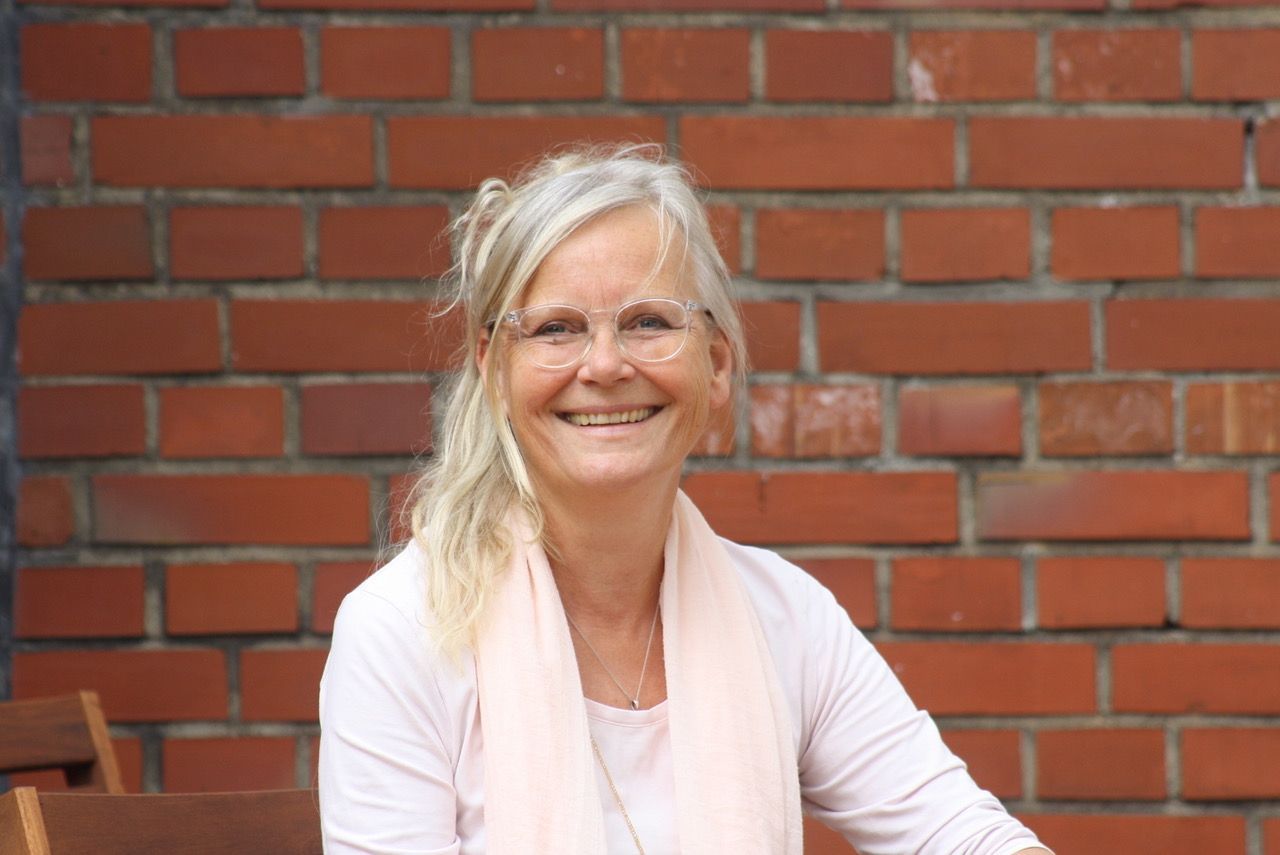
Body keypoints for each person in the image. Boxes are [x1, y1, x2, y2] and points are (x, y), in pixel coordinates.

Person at [318, 144, 1054, 855]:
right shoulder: (402, 633)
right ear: (493, 369)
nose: (605, 365)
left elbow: (962, 835)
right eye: (555, 329)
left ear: (717, 364)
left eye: (648, 321)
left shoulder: (785, 617)